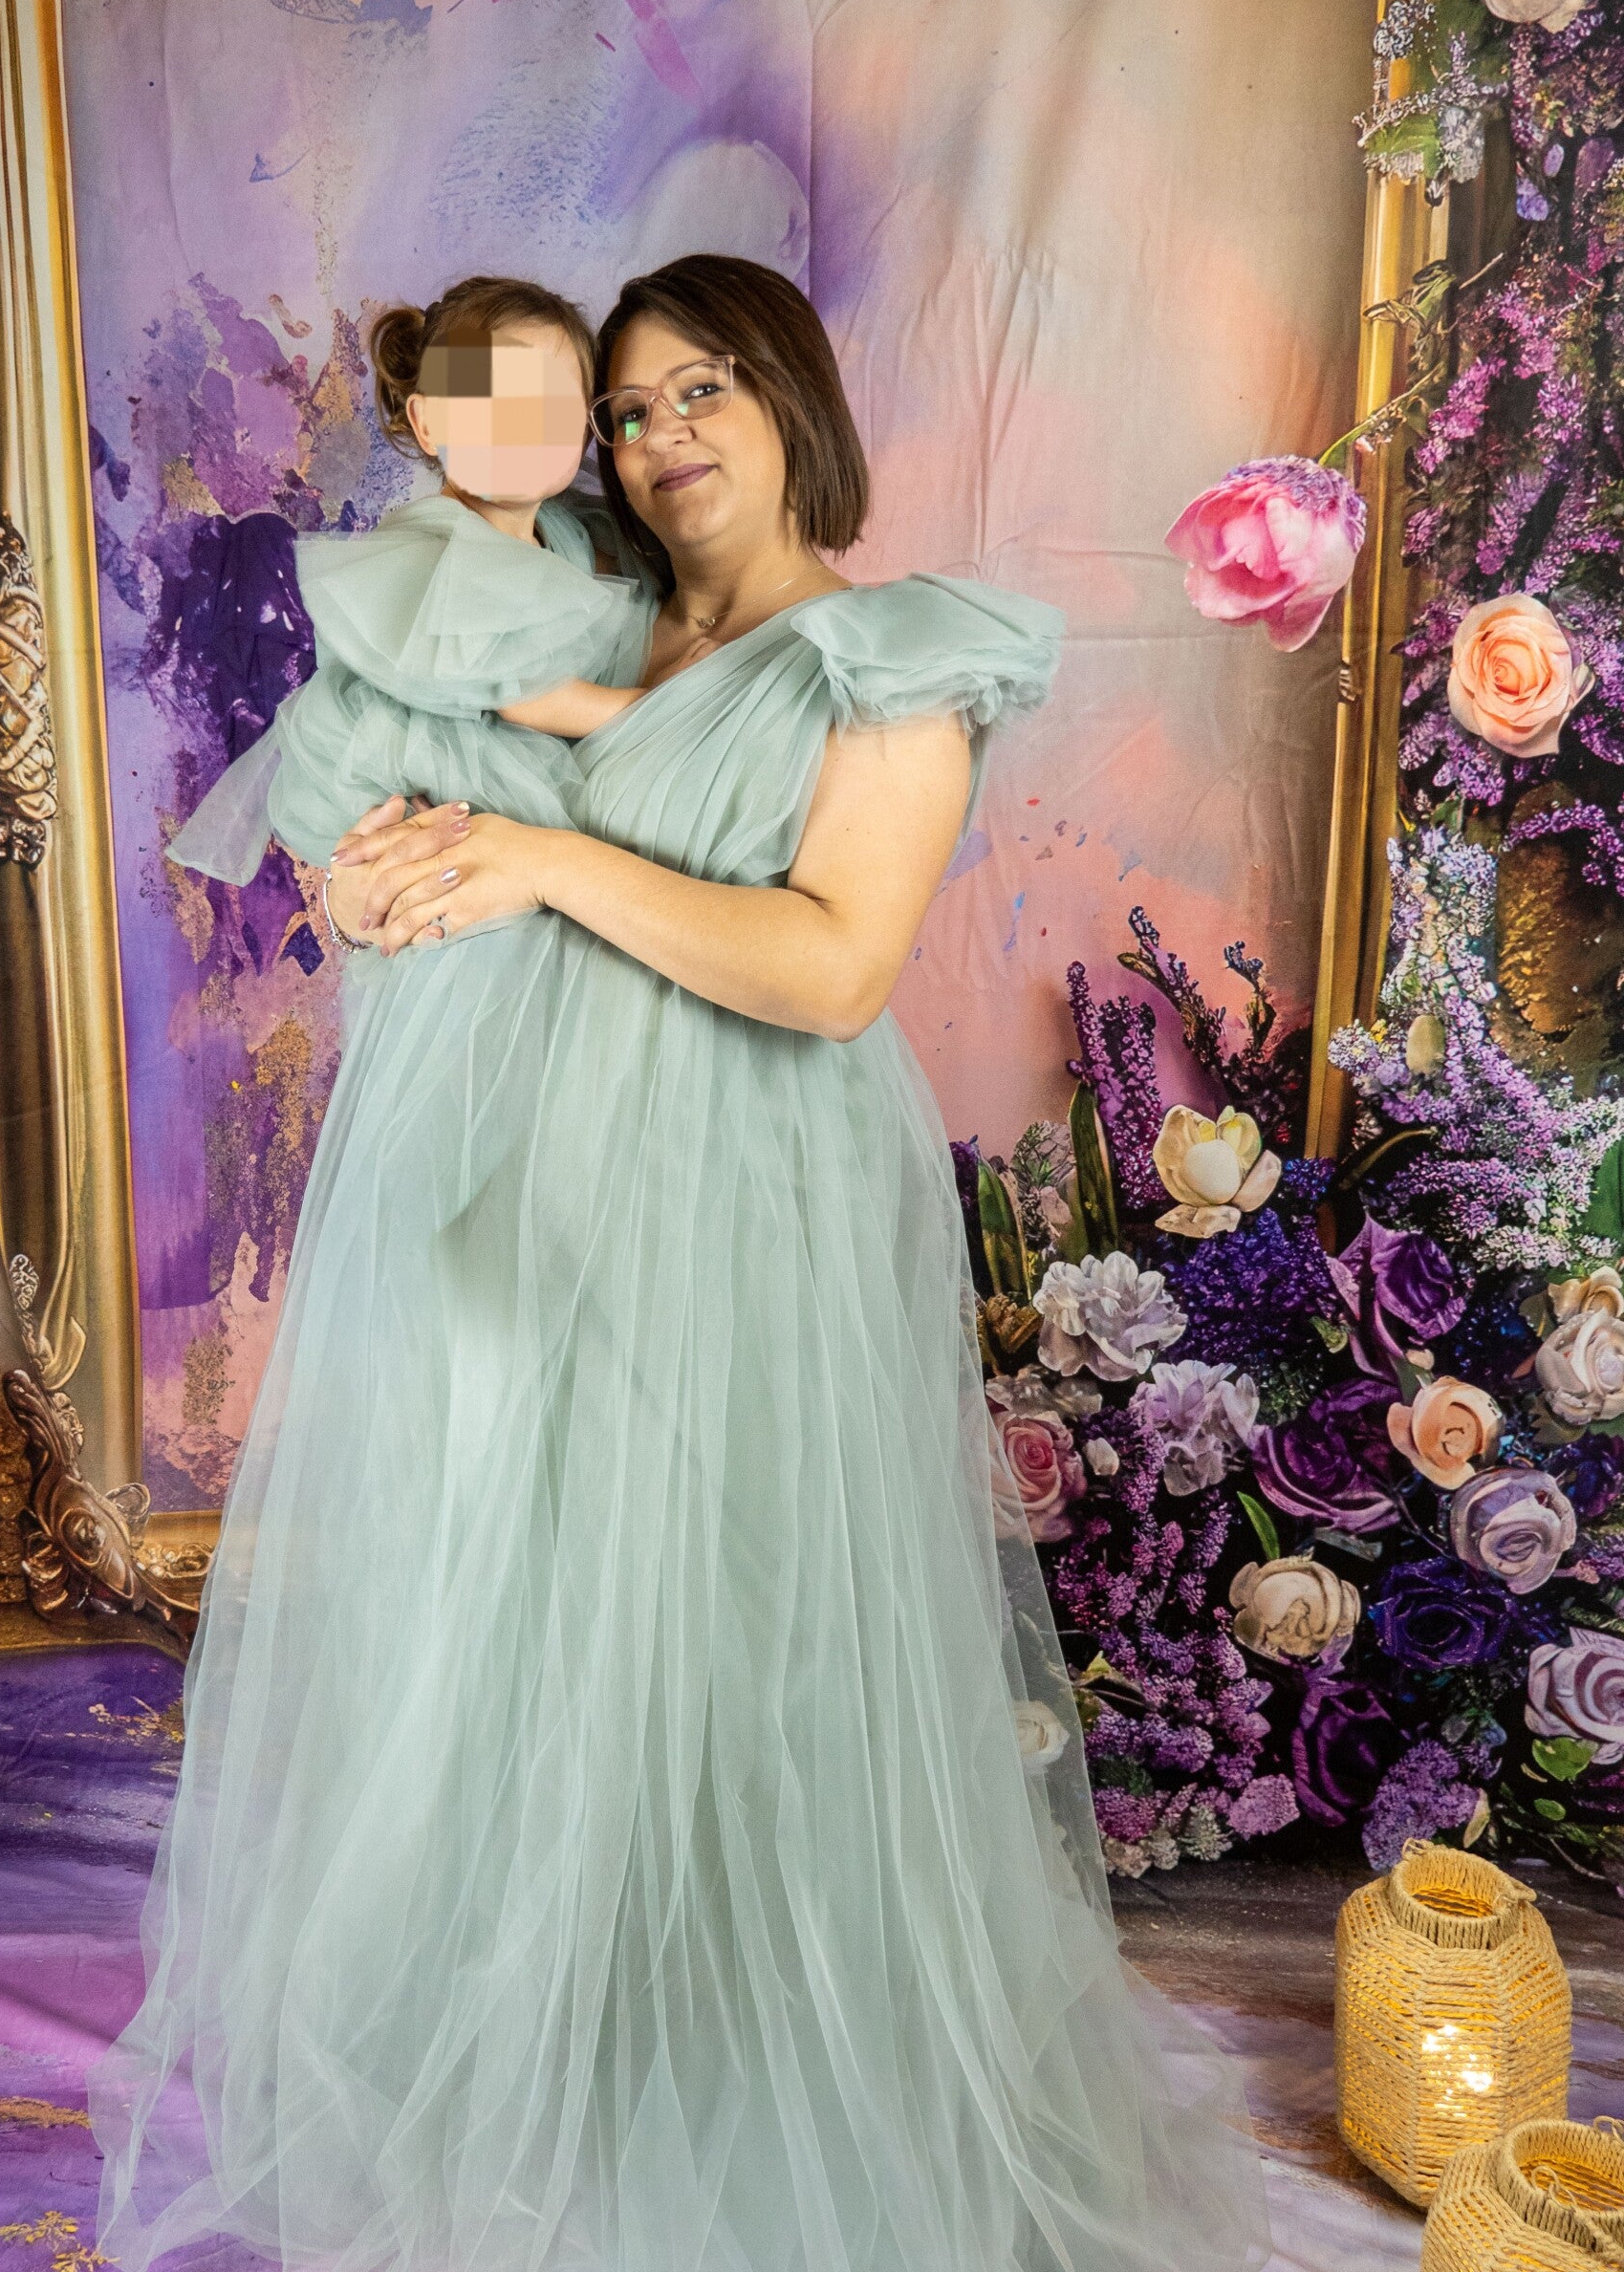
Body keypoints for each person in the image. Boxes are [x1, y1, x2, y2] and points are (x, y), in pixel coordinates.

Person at [90, 253, 1270, 2272]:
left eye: (703, 385)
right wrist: (380, 874)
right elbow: (404, 797)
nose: (659, 436)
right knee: (536, 1598)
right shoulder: (577, 607)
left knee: (738, 1598)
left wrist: (544, 859)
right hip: (535, 1179)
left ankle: (747, 2047)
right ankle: (564, 2006)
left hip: (752, 1189)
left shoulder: (888, 653)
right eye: (629, 409)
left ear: (793, 394)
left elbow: (831, 965)